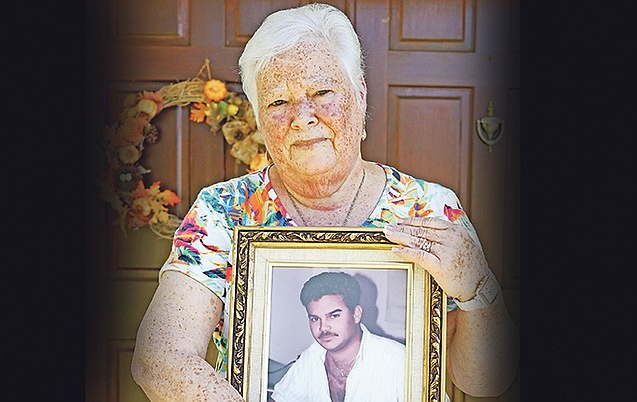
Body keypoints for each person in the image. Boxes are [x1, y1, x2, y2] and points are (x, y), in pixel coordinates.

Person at [131, 3, 519, 401]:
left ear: (360, 95)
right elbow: (160, 357)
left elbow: (483, 382)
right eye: (278, 102)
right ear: (260, 119)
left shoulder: (428, 207)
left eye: (322, 92)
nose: (302, 117)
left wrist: (478, 289)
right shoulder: (224, 210)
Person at [269, 271, 405, 402]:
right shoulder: (312, 357)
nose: (323, 327)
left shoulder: (398, 361)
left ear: (356, 314)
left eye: (333, 316)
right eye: (315, 319)